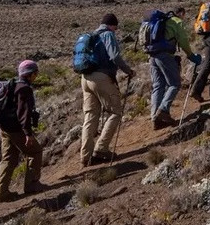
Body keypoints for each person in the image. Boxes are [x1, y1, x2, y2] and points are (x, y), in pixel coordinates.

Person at [78, 14, 136, 167]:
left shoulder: (92, 36)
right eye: (115, 27)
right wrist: (128, 70)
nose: (116, 30)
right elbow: (115, 56)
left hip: (85, 78)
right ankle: (101, 149)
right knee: (116, 112)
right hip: (101, 78)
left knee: (90, 116)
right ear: (112, 25)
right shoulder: (108, 35)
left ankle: (85, 156)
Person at [0, 60, 46, 201]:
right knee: (35, 152)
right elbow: (23, 113)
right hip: (16, 129)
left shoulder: (13, 85)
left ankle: (0, 193)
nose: (36, 76)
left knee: (8, 159)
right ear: (29, 74)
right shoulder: (24, 89)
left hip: (4, 128)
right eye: (35, 73)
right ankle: (31, 185)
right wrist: (28, 134)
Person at [149, 11, 201, 130]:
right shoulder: (176, 22)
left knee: (158, 85)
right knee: (174, 84)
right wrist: (190, 55)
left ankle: (155, 118)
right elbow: (183, 40)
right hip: (165, 56)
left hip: (152, 56)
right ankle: (163, 110)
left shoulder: (159, 21)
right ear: (180, 13)